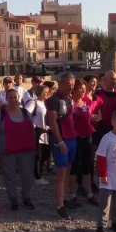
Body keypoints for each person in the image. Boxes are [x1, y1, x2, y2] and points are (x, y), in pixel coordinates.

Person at [0, 89, 37, 211]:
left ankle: (26, 198)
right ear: (6, 99)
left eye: (15, 97)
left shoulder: (25, 113)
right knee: (10, 176)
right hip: (8, 151)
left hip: (26, 151)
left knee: (27, 175)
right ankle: (13, 199)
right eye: (10, 98)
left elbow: (31, 132)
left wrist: (34, 148)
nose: (13, 100)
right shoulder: (0, 114)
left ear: (19, 99)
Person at [46, 73, 77, 219]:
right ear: (61, 84)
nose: (71, 87)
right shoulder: (54, 100)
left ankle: (63, 199)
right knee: (61, 173)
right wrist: (59, 141)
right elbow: (52, 123)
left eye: (72, 84)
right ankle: (59, 205)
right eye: (68, 84)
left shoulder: (69, 99)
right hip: (62, 141)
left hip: (71, 139)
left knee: (68, 171)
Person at [71, 79, 97, 205]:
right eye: (80, 88)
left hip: (86, 137)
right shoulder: (71, 103)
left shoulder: (85, 102)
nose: (83, 91)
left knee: (87, 166)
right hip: (75, 138)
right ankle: (72, 194)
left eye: (84, 88)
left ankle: (89, 193)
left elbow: (87, 118)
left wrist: (93, 118)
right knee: (74, 168)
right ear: (74, 89)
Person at [25, 84, 50, 186]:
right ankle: (37, 176)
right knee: (37, 155)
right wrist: (32, 123)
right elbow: (25, 112)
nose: (47, 95)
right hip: (37, 131)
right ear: (41, 92)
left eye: (48, 93)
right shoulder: (34, 102)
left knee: (46, 153)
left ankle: (38, 172)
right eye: (46, 93)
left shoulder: (44, 103)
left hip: (45, 131)